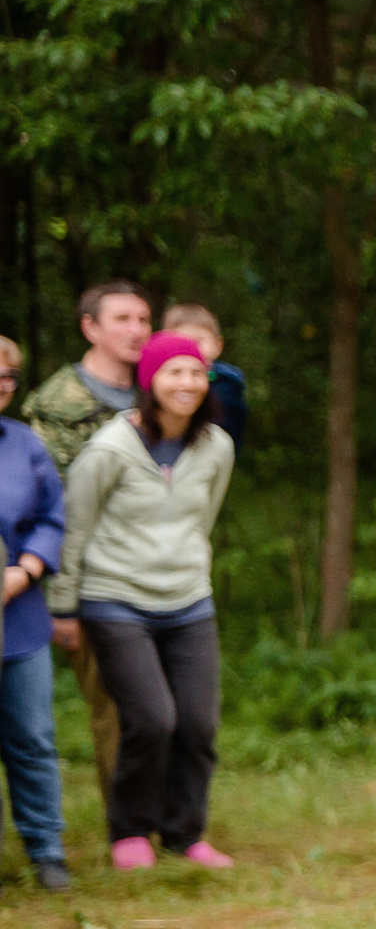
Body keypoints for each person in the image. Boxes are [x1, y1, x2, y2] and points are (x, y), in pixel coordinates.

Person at [51, 331, 236, 871]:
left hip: (189, 601)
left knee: (198, 724)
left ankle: (185, 834)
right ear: (149, 381)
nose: (187, 383)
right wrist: (64, 606)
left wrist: (189, 566)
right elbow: (75, 526)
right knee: (152, 719)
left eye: (196, 373)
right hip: (115, 600)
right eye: (174, 373)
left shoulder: (216, 447)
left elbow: (205, 517)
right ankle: (129, 830)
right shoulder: (109, 449)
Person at [27, 280, 152, 809]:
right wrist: (63, 602)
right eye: (122, 319)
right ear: (90, 328)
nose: (136, 330)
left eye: (144, 320)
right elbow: (47, 509)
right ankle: (129, 827)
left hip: (158, 574)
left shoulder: (161, 389)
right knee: (117, 708)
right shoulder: (56, 406)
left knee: (164, 707)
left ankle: (173, 819)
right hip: (93, 580)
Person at [0, 338, 72, 890]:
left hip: (19, 618)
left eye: (8, 378)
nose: (1, 386)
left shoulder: (24, 444)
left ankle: (47, 851)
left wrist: (23, 571)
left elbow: (52, 515)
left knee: (32, 736)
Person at [160, 302, 250, 448]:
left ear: (217, 345)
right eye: (180, 341)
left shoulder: (226, 384)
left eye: (198, 340)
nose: (190, 348)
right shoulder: (158, 380)